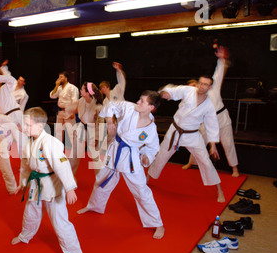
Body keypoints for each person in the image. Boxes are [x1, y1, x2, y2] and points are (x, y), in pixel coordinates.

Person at [77, 91, 165, 239]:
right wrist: (110, 121)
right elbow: (111, 105)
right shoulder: (129, 107)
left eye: (142, 101)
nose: (138, 102)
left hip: (130, 158)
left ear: (151, 107)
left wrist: (146, 158)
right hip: (115, 149)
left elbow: (153, 148)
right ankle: (94, 206)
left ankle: (157, 224)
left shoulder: (150, 129)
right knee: (101, 179)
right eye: (139, 99)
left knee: (141, 191)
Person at [12, 107, 84, 253]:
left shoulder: (50, 143)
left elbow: (62, 165)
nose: (24, 128)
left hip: (53, 184)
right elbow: (25, 167)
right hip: (36, 184)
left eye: (28, 124)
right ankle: (25, 236)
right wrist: (22, 183)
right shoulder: (29, 143)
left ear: (39, 126)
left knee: (59, 221)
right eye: (24, 124)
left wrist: (70, 187)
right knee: (31, 212)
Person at [147, 76, 225, 203]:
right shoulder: (188, 90)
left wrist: (213, 146)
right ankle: (148, 178)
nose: (202, 86)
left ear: (209, 87)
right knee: (161, 155)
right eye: (200, 83)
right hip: (175, 130)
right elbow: (173, 91)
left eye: (205, 84)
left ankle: (219, 190)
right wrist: (166, 93)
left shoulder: (210, 105)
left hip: (192, 135)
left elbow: (212, 125)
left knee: (205, 161)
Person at [182, 46, 239, 177]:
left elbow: (218, 74)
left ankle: (234, 168)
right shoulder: (193, 99)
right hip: (207, 122)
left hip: (221, 118)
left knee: (228, 143)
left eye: (195, 85)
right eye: (190, 88)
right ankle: (191, 162)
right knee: (198, 142)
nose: (194, 88)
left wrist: (221, 59)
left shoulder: (212, 89)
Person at [0, 60, 24, 157]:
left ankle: (29, 162)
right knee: (5, 140)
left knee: (21, 139)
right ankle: (4, 158)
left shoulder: (4, 89)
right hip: (7, 119)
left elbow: (11, 79)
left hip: (15, 114)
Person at [69, 82, 104, 175]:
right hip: (81, 127)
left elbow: (100, 124)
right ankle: (69, 178)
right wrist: (72, 112)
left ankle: (101, 178)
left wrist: (97, 137)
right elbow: (74, 108)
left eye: (82, 89)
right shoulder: (81, 100)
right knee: (74, 155)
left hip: (93, 130)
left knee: (96, 157)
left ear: (88, 93)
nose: (80, 90)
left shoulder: (98, 106)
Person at [49, 71, 79, 147]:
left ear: (66, 78)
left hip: (69, 111)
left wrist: (73, 112)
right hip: (60, 112)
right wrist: (56, 85)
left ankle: (76, 151)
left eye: (61, 77)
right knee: (58, 132)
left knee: (71, 132)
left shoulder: (72, 87)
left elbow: (75, 101)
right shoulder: (59, 88)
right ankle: (59, 150)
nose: (59, 79)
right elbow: (52, 96)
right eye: (59, 77)